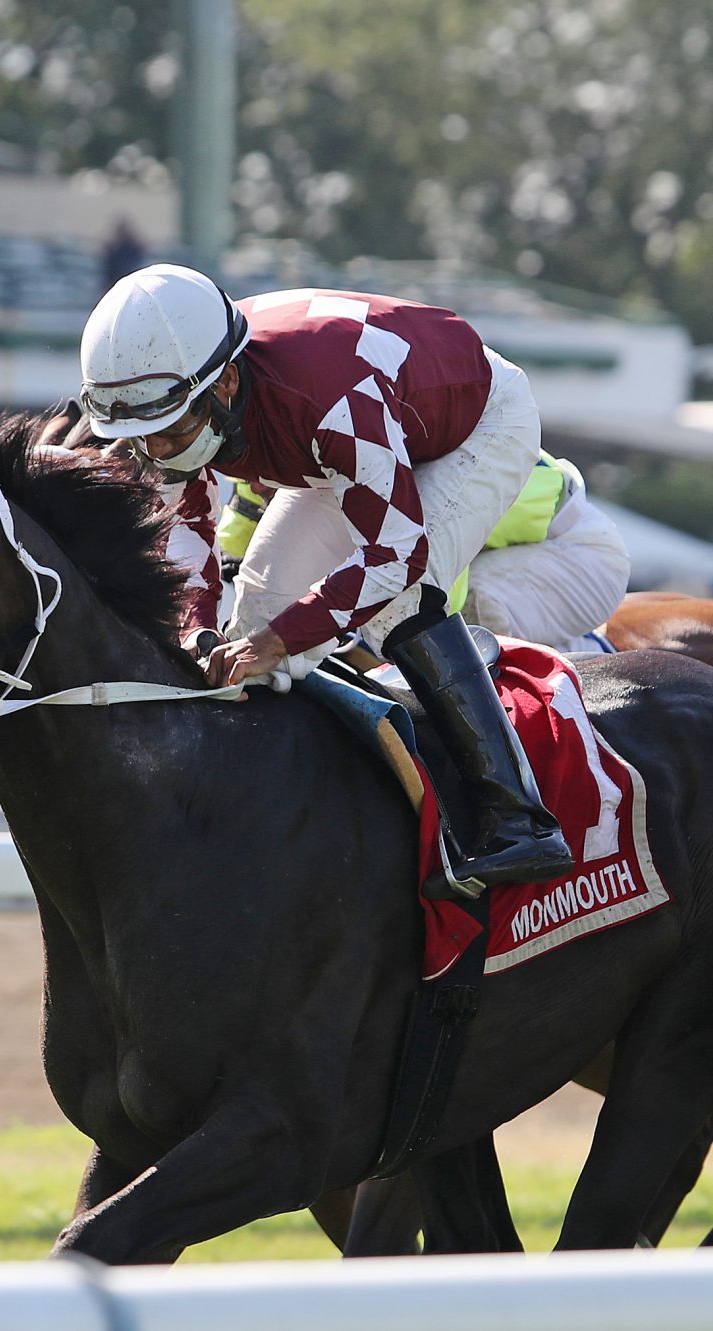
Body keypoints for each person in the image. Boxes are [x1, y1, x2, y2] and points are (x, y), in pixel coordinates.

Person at [76, 263, 574, 890]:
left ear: (227, 383)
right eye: (142, 438)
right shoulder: (183, 391)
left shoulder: (331, 400)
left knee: (399, 600)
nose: (159, 454)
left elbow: (396, 556)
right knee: (257, 603)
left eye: (172, 433)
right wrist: (199, 632)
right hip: (357, 436)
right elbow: (186, 535)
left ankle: (516, 816)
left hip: (474, 428)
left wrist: (282, 641)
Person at [215, 450, 631, 655]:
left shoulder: (386, 466)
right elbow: (238, 553)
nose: (264, 486)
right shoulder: (282, 459)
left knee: (472, 615)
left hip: (579, 553)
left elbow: (438, 589)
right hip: (505, 551)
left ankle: (583, 659)